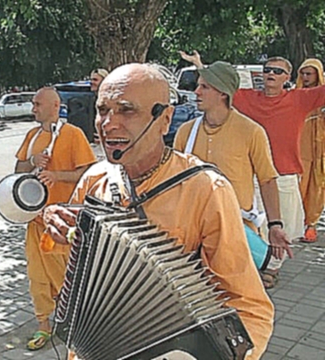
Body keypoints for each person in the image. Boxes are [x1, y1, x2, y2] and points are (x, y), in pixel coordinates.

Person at [43, 64, 273, 359]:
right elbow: (77, 266)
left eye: (127, 111)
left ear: (164, 119)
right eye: (102, 110)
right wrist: (54, 220)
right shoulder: (94, 179)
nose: (108, 124)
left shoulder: (206, 190)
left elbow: (250, 308)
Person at [180, 51, 325, 285]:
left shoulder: (299, 99)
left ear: (287, 76)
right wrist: (199, 64)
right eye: (267, 69)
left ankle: (269, 269)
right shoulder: (244, 99)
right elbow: (220, 82)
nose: (270, 74)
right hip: (244, 184)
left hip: (283, 176)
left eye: (277, 71)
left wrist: (275, 224)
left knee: (277, 229)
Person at [172, 61, 292, 277]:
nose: (196, 92)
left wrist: (275, 225)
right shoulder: (185, 132)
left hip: (235, 233)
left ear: (223, 93)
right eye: (198, 86)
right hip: (191, 236)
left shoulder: (251, 131)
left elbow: (267, 180)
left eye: (204, 87)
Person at [14, 87, 97, 350]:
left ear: (55, 106)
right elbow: (18, 170)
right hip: (35, 220)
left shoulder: (73, 134)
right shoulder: (32, 135)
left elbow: (88, 173)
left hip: (62, 224)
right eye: (33, 104)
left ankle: (73, 325)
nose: (33, 108)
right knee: (37, 277)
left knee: (65, 275)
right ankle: (43, 327)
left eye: (38, 104)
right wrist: (32, 160)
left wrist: (57, 176)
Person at [296, 59, 325, 243]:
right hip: (300, 149)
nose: (306, 78)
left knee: (318, 187)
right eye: (303, 73)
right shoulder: (295, 95)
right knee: (299, 186)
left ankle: (311, 224)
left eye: (309, 74)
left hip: (321, 149)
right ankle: (297, 223)